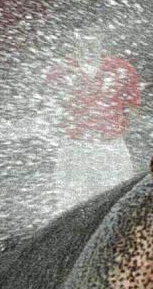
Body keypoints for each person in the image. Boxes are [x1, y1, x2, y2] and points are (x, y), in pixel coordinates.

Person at [42, 26, 141, 211]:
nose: (89, 39)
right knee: (71, 205)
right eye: (84, 34)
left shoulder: (123, 69)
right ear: (75, 37)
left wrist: (114, 130)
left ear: (102, 36)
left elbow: (132, 106)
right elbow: (51, 107)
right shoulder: (60, 71)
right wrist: (74, 129)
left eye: (94, 33)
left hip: (110, 146)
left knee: (116, 202)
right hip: (75, 147)